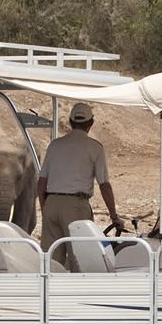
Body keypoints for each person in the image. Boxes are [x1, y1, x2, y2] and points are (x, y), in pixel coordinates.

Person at [37, 102, 124, 263]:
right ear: (91, 123)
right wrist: (113, 215)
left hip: (52, 203)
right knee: (80, 258)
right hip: (76, 205)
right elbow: (104, 184)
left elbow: (41, 182)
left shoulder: (54, 145)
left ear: (70, 122)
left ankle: (50, 288)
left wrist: (45, 208)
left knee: (52, 259)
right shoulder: (95, 148)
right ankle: (76, 288)